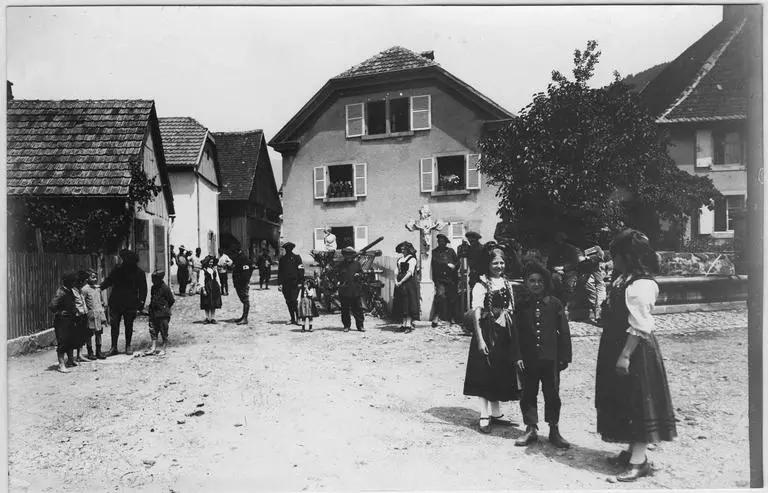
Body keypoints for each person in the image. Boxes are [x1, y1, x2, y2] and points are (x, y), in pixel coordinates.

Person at [595, 229, 676, 482]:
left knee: (638, 401)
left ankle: (639, 462)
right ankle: (632, 452)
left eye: (616, 255)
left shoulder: (641, 285)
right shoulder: (624, 279)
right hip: (617, 344)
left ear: (627, 257)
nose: (612, 260)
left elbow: (640, 324)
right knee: (623, 398)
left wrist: (625, 355)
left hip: (635, 349)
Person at [463, 246, 523, 434]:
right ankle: (483, 414)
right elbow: (476, 313)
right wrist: (480, 340)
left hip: (504, 333)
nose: (499, 266)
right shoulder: (481, 284)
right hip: (488, 332)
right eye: (495, 262)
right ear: (487, 264)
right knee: (484, 372)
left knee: (499, 371)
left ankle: (496, 414)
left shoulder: (506, 283)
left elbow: (511, 308)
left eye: (501, 262)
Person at [514, 262, 572, 449]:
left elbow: (563, 331)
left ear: (545, 283)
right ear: (526, 283)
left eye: (539, 281)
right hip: (528, 359)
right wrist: (517, 356)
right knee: (528, 393)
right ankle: (531, 428)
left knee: (552, 393)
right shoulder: (521, 305)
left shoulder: (554, 304)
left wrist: (564, 356)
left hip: (550, 358)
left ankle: (554, 429)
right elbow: (515, 332)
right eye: (532, 281)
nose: (536, 284)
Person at [101, 249, 147, 356]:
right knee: (114, 325)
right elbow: (109, 280)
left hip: (130, 303)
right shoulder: (118, 270)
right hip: (116, 301)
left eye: (124, 259)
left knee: (129, 325)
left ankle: (128, 346)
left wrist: (141, 303)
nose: (122, 261)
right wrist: (100, 287)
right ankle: (113, 347)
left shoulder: (139, 272)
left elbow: (143, 289)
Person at [49, 272, 81, 372]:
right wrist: (60, 312)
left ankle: (70, 360)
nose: (74, 283)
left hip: (70, 319)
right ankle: (61, 365)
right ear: (68, 281)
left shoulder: (70, 291)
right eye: (73, 281)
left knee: (70, 340)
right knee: (62, 342)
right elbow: (52, 306)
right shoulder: (61, 292)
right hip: (62, 321)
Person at [431, 233, 459, 327]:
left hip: (451, 278)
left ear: (446, 243)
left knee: (452, 298)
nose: (441, 243)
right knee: (440, 296)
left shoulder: (451, 251)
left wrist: (454, 267)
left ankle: (452, 317)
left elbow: (457, 262)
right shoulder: (434, 252)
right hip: (440, 279)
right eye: (439, 241)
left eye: (443, 242)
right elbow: (436, 262)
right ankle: (437, 315)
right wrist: (447, 264)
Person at [336, 246, 365, 332]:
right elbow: (334, 274)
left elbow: (362, 274)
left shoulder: (357, 264)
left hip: (355, 290)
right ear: (344, 256)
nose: (348, 257)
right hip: (344, 291)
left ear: (353, 256)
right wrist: (337, 282)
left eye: (350, 255)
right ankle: (346, 326)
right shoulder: (340, 265)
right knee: (345, 309)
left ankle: (360, 326)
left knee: (358, 309)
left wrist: (359, 275)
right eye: (346, 255)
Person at [145, 270, 175, 356]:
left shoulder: (165, 288)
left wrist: (164, 308)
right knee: (153, 330)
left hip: (163, 314)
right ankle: (153, 347)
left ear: (159, 279)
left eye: (154, 279)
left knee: (163, 331)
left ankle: (164, 348)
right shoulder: (153, 288)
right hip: (153, 312)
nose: (153, 281)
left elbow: (171, 300)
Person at [81, 269, 108, 360]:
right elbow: (82, 302)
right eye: (92, 277)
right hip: (90, 314)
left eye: (96, 277)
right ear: (87, 278)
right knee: (89, 334)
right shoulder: (84, 289)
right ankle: (90, 352)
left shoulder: (97, 288)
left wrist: (102, 310)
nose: (95, 279)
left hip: (99, 313)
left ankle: (99, 351)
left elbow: (100, 301)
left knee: (99, 333)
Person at [393, 241, 419, 333]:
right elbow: (396, 271)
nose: (403, 250)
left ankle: (408, 324)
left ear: (408, 250)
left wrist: (401, 281)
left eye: (404, 249)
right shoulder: (400, 259)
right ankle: (403, 324)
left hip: (408, 283)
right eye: (402, 249)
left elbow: (410, 272)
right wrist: (396, 280)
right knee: (401, 302)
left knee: (408, 303)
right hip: (399, 282)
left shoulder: (412, 259)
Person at [278, 242, 304, 325]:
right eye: (287, 248)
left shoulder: (297, 258)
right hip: (286, 284)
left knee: (294, 301)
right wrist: (280, 284)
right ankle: (292, 319)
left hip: (295, 283)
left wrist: (300, 282)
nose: (288, 250)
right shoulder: (282, 259)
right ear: (285, 249)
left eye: (290, 248)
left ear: (292, 249)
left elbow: (301, 270)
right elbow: (280, 272)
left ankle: (298, 318)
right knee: (288, 301)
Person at [230, 247, 255, 325]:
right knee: (243, 299)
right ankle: (243, 317)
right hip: (239, 283)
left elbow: (247, 272)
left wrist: (245, 282)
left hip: (242, 283)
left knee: (245, 299)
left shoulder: (243, 259)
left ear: (238, 251)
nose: (233, 255)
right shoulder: (239, 258)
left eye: (234, 252)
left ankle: (245, 318)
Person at [72, 270, 90, 362]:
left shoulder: (80, 290)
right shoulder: (72, 291)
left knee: (83, 335)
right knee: (75, 336)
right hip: (77, 316)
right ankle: (72, 357)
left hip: (83, 314)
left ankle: (80, 355)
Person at [200, 255, 222, 323]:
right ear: (207, 262)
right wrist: (203, 289)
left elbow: (217, 278)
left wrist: (219, 287)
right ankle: (207, 318)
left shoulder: (214, 270)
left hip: (214, 287)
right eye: (210, 262)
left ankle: (212, 318)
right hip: (207, 287)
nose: (211, 263)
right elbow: (201, 280)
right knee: (207, 302)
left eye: (212, 262)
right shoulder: (203, 270)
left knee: (213, 303)